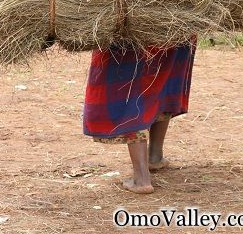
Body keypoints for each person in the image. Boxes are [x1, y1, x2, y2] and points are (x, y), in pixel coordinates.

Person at [84, 40, 196, 194]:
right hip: (176, 30)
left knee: (129, 93)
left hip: (133, 35)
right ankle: (155, 157)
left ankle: (141, 179)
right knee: (162, 79)